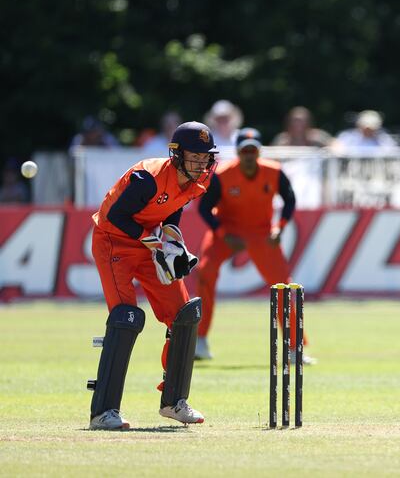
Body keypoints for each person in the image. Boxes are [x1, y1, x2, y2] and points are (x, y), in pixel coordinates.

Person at [88, 121, 217, 430]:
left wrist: (172, 241)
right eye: (194, 156)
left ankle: (174, 401)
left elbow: (173, 208)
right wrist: (154, 241)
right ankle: (103, 411)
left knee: (184, 316)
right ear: (176, 155)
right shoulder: (147, 178)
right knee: (126, 317)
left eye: (205, 157)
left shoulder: (198, 181)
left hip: (148, 242)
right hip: (113, 240)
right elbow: (115, 217)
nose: (201, 163)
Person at [196, 128, 315, 364]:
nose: (249, 156)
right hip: (228, 231)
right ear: (238, 153)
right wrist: (222, 233)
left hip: (261, 232)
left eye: (253, 151)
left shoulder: (273, 171)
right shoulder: (222, 173)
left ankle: (295, 347)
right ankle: (199, 339)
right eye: (245, 151)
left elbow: (289, 199)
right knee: (204, 272)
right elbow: (203, 208)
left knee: (283, 286)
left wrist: (279, 227)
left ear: (259, 152)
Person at [334, 110, 398, 151]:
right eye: (366, 128)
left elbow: (393, 152)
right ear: (359, 125)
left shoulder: (384, 139)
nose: (369, 131)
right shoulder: (348, 137)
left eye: (372, 128)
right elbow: (336, 149)